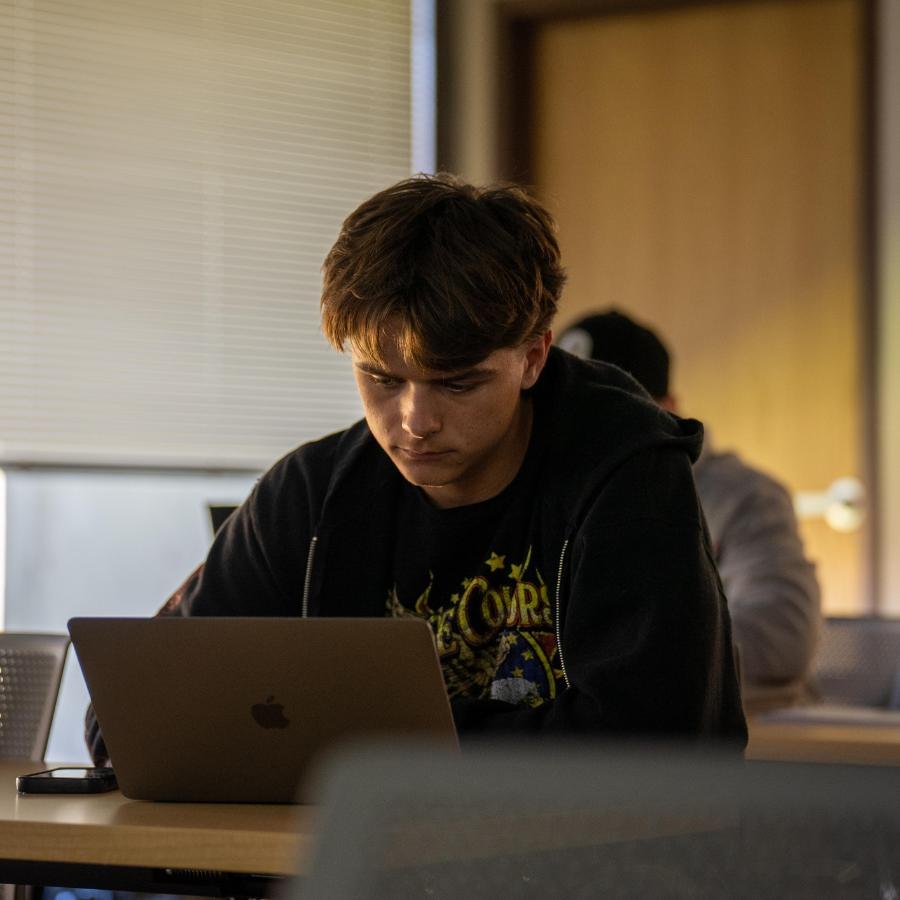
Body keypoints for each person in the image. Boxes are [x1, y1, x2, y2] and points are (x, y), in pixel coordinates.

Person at [86, 175, 746, 764]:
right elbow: (125, 718)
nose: (413, 421)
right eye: (381, 378)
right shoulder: (310, 494)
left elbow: (662, 744)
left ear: (533, 357)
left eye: (457, 385)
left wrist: (366, 750)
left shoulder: (628, 479)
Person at [558, 310, 822, 713]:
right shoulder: (551, 495)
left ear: (669, 410)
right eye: (572, 414)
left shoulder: (745, 498)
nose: (590, 436)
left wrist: (634, 665)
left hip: (741, 748)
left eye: (614, 414)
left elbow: (782, 636)